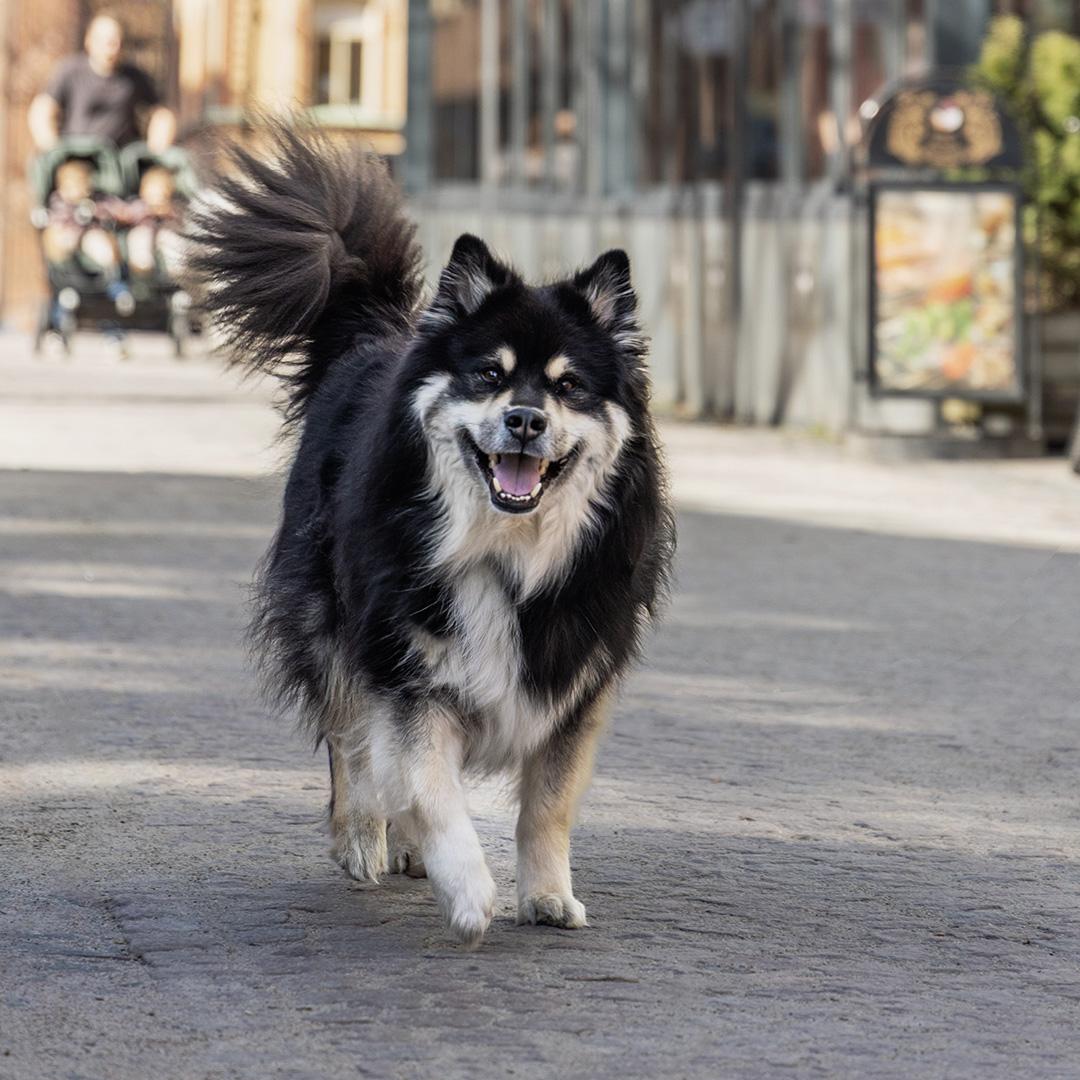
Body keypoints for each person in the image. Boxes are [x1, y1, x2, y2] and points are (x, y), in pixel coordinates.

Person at [28, 12, 176, 153]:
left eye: (116, 41)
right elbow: (42, 109)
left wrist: (157, 148)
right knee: (75, 178)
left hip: (121, 161)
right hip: (76, 156)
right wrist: (51, 146)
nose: (111, 47)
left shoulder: (134, 78)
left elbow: (162, 115)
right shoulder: (70, 71)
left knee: (159, 178)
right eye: (105, 41)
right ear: (89, 40)